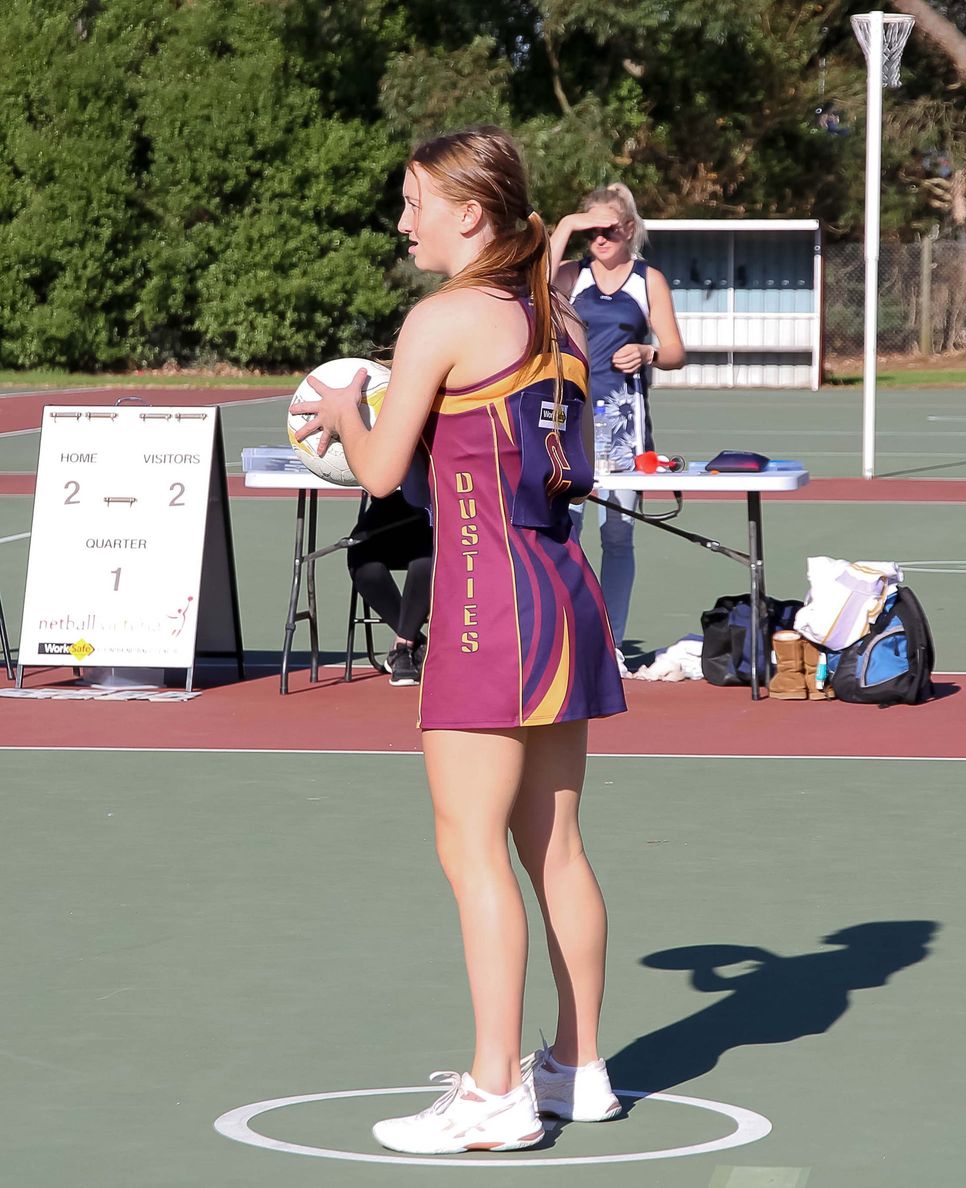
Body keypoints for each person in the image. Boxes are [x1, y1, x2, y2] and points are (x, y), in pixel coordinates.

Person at [290, 126, 627, 1156]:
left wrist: (345, 409)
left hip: (488, 602)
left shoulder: (442, 318)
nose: (405, 223)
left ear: (468, 213)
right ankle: (579, 1069)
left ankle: (495, 1093)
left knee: (471, 847)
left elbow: (384, 473)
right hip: (561, 589)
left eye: (414, 203)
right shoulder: (556, 314)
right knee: (556, 849)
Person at [549, 184, 685, 673]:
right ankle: (569, 635)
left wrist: (649, 353)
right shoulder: (569, 275)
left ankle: (611, 641)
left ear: (629, 230)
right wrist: (564, 229)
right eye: (590, 230)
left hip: (626, 422)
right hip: (569, 418)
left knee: (619, 534)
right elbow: (527, 296)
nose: (599, 238)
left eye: (608, 228)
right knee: (566, 530)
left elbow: (674, 351)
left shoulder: (648, 280)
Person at [346, 490, 432, 686]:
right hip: (388, 507)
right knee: (362, 561)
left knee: (426, 562)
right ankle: (416, 642)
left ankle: (403, 646)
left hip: (437, 512)